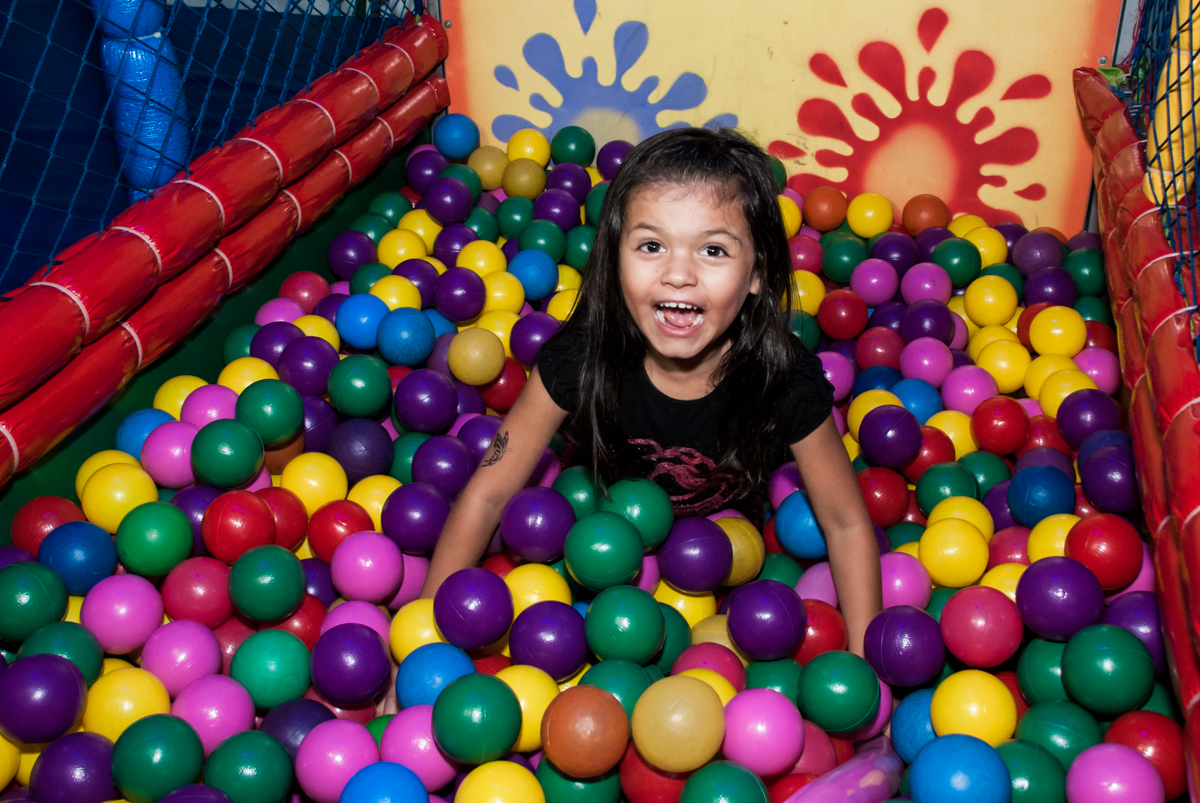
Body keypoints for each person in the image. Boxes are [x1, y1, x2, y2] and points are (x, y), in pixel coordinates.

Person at [420, 127, 881, 656]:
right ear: (615, 259)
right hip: (594, 558)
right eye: (651, 245)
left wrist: (868, 668)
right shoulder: (580, 358)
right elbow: (488, 494)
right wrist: (428, 646)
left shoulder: (783, 379)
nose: (678, 274)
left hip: (727, 575)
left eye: (712, 249)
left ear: (757, 273)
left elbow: (845, 523)